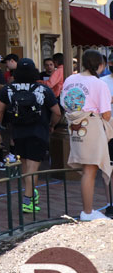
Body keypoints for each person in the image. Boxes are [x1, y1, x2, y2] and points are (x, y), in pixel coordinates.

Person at [0, 59, 60, 214]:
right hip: (38, 131)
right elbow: (57, 112)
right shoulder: (42, 89)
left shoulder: (8, 89)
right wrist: (52, 125)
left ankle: (30, 192)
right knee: (33, 166)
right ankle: (28, 200)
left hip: (18, 132)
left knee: (25, 165)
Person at [60, 49, 113, 221]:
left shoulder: (70, 79)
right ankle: (88, 211)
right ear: (99, 65)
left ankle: (88, 210)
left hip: (75, 124)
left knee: (86, 169)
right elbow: (106, 114)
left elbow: (65, 102)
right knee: (90, 169)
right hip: (91, 126)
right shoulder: (99, 84)